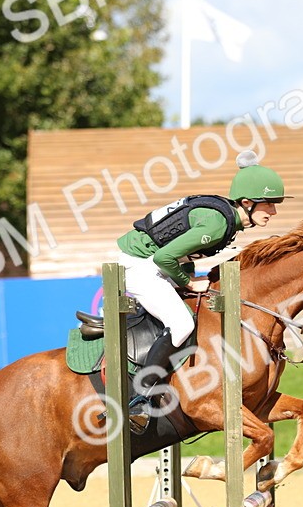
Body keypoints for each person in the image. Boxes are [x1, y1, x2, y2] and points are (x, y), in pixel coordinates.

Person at [111, 150, 289, 431]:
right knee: (181, 324)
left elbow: (181, 253)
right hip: (140, 265)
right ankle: (140, 397)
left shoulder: (225, 219)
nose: (274, 211)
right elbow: (163, 259)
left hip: (152, 262)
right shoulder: (218, 224)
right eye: (268, 204)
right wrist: (190, 283)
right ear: (246, 203)